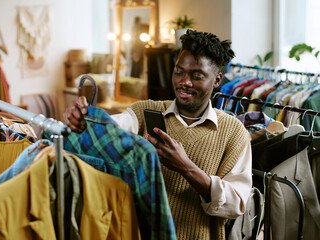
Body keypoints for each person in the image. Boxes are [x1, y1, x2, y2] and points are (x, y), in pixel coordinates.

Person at [64, 29, 252, 240]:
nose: (184, 82)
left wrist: (186, 167)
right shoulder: (145, 113)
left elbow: (237, 204)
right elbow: (110, 128)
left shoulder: (234, 133)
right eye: (179, 72)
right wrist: (83, 121)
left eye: (197, 76)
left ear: (217, 79)